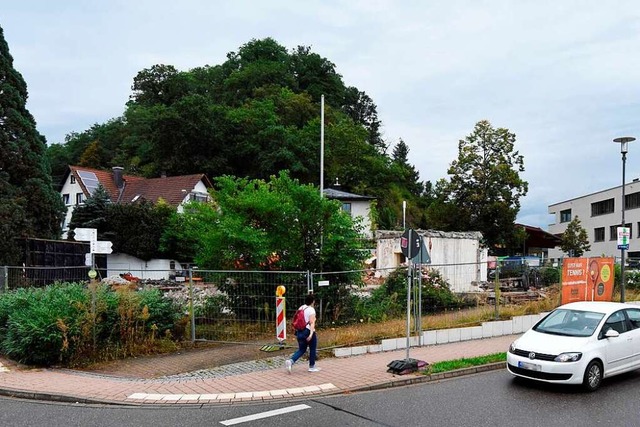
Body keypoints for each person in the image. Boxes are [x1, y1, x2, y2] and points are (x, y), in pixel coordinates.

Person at [285, 293, 320, 373]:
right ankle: (312, 366)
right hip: (308, 331)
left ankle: (290, 361)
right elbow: (312, 323)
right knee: (312, 348)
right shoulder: (311, 310)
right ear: (313, 301)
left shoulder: (301, 307)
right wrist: (311, 334)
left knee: (302, 349)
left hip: (299, 331)